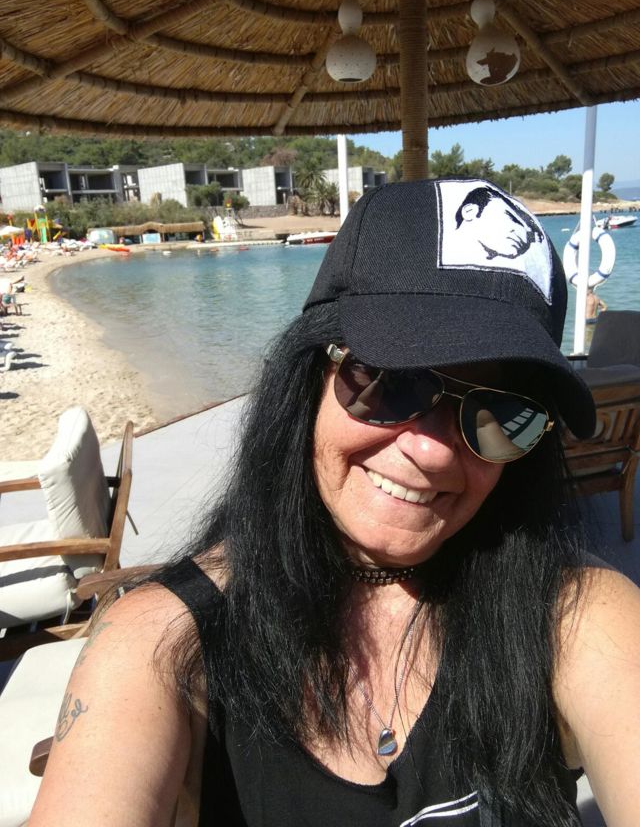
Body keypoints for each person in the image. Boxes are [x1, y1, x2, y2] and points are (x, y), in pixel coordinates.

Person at [30, 179, 640, 827]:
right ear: (306, 378)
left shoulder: (576, 617)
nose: (433, 452)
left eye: (503, 414)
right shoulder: (162, 644)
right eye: (392, 381)